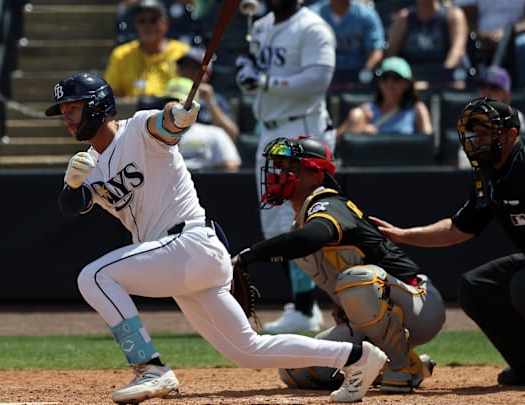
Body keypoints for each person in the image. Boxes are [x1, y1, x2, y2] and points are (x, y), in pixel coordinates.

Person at [48, 72, 388, 404]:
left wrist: (178, 116)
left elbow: (165, 123)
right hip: (180, 262)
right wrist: (73, 183)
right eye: (63, 112)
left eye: (72, 108)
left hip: (189, 243)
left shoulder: (137, 128)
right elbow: (69, 207)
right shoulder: (87, 165)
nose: (66, 118)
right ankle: (358, 357)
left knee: (94, 276)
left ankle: (150, 367)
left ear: (97, 106)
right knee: (249, 351)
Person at [233, 136, 445, 393]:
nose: (280, 173)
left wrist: (249, 255)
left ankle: (400, 367)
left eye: (290, 166)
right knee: (296, 371)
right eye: (279, 165)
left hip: (419, 305)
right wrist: (348, 307)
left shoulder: (330, 203)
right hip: (377, 310)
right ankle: (404, 364)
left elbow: (312, 238)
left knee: (357, 281)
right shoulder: (301, 220)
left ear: (315, 175)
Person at [370, 97, 525, 387]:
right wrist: (402, 234)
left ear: (511, 135)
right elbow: (457, 230)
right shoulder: (489, 177)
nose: (478, 140)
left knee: (524, 285)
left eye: (486, 132)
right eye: (474, 133)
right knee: (476, 287)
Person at [234, 0, 337, 334]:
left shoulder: (313, 28)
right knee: (273, 220)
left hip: (302, 129)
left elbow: (317, 81)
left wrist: (264, 81)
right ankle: (303, 303)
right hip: (270, 128)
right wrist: (246, 75)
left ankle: (306, 307)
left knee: (299, 217)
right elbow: (257, 70)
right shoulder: (261, 25)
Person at [137, 77, 242, 171]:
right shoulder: (150, 136)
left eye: (181, 102)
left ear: (195, 105)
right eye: (170, 101)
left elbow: (230, 167)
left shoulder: (215, 134)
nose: (175, 107)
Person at [104, 0, 190, 97]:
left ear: (165, 23)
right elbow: (113, 92)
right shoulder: (121, 54)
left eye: (153, 20)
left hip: (171, 110)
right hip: (134, 110)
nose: (147, 26)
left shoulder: (183, 52)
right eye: (142, 21)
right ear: (136, 26)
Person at [336, 56, 433, 138]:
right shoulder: (365, 110)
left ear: (407, 83)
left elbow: (428, 142)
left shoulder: (417, 109)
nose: (389, 83)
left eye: (396, 78)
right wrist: (360, 132)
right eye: (385, 77)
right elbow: (335, 139)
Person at [385, 0, 469, 90]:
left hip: (447, 82)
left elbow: (457, 52)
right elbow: (391, 54)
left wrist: (433, 82)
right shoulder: (403, 18)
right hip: (411, 82)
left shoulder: (453, 15)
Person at [458, 66, 525, 169]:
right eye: (483, 87)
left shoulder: (516, 117)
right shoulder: (470, 117)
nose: (487, 92)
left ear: (506, 93)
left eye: (494, 87)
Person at [308, 0, 386, 90]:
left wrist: (366, 71)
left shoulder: (366, 15)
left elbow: (376, 51)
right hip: (323, 72)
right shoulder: (314, 14)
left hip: (356, 73)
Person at [455, 0, 525, 91]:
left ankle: (521, 97)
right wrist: (482, 36)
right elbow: (465, 17)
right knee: (462, 47)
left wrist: (508, 34)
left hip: (518, 36)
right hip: (478, 37)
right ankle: (469, 96)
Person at [176, 47, 240, 141]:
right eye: (184, 65)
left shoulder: (216, 100)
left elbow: (232, 135)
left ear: (208, 73)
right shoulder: (169, 95)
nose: (188, 71)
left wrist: (210, 102)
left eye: (195, 66)